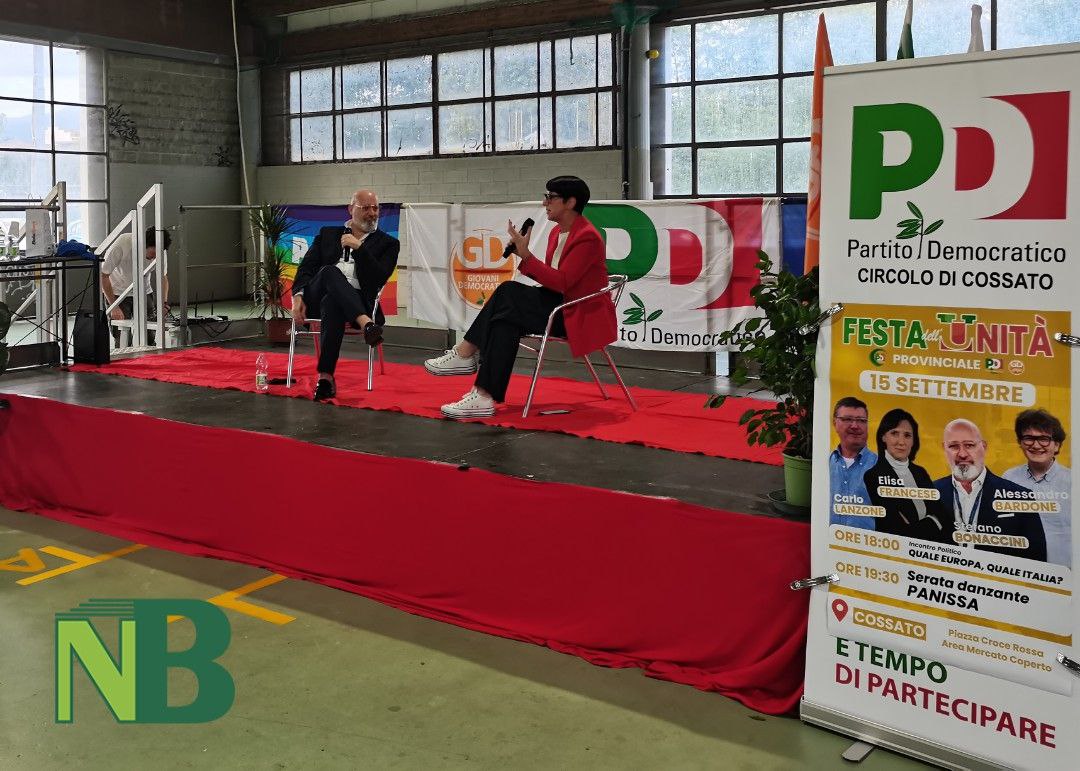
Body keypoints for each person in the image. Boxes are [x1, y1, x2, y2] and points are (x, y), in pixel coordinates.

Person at [424, 176, 616, 418]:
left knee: (508, 293)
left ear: (570, 202)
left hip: (577, 314)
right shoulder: (556, 232)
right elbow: (555, 282)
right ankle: (483, 396)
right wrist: (525, 256)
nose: (545, 202)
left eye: (551, 197)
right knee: (505, 320)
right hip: (559, 305)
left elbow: (563, 282)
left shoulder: (587, 237)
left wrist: (526, 256)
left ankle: (465, 354)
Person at [291, 189, 399, 401]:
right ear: (351, 209)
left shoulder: (388, 244)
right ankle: (367, 325)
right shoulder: (327, 234)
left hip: (355, 299)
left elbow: (379, 278)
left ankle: (325, 378)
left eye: (375, 208)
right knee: (329, 271)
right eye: (365, 208)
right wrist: (297, 297)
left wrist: (360, 249)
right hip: (317, 295)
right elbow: (305, 269)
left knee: (333, 302)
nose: (372, 213)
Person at [933, 418, 1047, 562]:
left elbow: (1036, 562)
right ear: (944, 449)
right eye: (954, 446)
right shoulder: (928, 494)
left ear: (984, 447)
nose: (962, 454)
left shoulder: (1020, 496)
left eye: (969, 445)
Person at [863, 408, 951, 542]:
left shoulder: (920, 472)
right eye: (894, 433)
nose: (901, 442)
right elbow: (897, 532)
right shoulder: (873, 476)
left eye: (907, 435)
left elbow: (944, 516)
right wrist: (934, 521)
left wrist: (921, 525)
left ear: (913, 440)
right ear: (883, 437)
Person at [1002, 409, 1071, 568]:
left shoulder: (1073, 482)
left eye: (1044, 439)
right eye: (1028, 438)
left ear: (1057, 445)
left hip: (1063, 573)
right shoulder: (1008, 478)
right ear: (1020, 443)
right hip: (1022, 571)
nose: (1036, 445)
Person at [101, 226, 170, 345]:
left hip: (144, 291)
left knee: (149, 336)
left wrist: (164, 303)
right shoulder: (122, 244)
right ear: (144, 245)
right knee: (123, 340)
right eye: (152, 253)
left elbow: (163, 278)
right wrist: (114, 306)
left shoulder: (160, 252)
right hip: (118, 293)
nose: (154, 257)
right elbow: (104, 275)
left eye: (158, 254)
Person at [828, 396, 878, 530]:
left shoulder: (883, 468)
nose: (855, 426)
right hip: (826, 540)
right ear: (834, 423)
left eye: (861, 421)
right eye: (847, 419)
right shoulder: (824, 464)